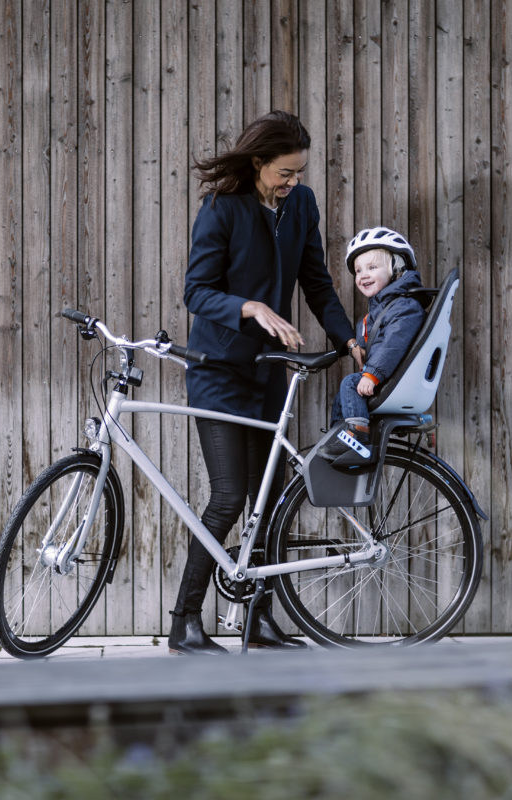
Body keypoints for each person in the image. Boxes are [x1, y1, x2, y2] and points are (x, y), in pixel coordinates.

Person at [171, 110, 360, 655]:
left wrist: (347, 339)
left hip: (268, 373)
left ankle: (259, 619)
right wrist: (250, 306)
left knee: (270, 502)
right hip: (219, 371)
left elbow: (316, 282)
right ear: (258, 164)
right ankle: (185, 622)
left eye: (299, 172)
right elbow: (197, 291)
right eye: (284, 172)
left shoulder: (300, 205)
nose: (293, 182)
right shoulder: (221, 209)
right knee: (229, 496)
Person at [317, 226, 425, 464]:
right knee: (343, 395)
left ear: (396, 267)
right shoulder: (386, 307)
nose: (363, 275)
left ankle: (356, 436)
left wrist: (372, 374)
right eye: (358, 270)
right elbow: (380, 339)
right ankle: (339, 436)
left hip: (392, 378)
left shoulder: (404, 307)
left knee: (350, 383)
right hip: (389, 375)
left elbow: (393, 346)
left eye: (372, 267)